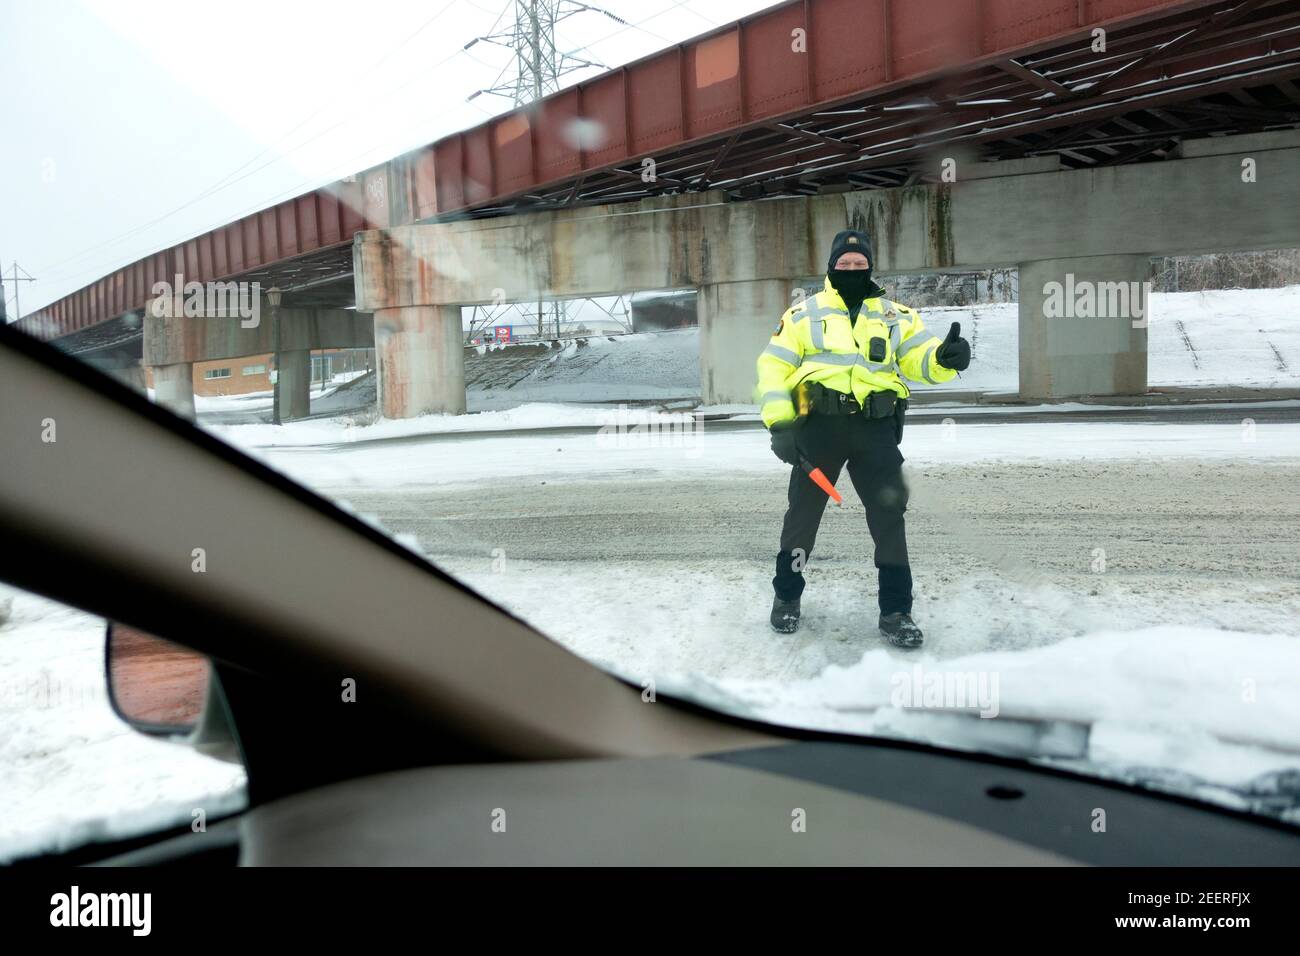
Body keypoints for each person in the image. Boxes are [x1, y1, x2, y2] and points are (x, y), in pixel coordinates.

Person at [755, 229, 971, 647]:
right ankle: (786, 598)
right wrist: (779, 424)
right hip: (818, 429)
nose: (852, 269)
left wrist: (945, 360)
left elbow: (921, 358)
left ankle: (896, 611)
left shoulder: (897, 316)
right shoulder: (804, 314)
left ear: (869, 266)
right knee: (802, 518)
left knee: (890, 518)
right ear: (831, 267)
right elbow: (773, 369)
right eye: (844, 263)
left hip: (875, 430)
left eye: (859, 263)